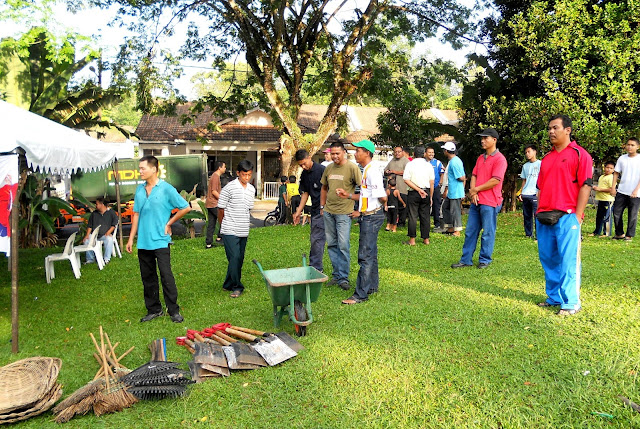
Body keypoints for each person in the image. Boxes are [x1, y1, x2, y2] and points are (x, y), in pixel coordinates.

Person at [536, 114, 592, 315]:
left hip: (568, 216)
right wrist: (538, 210)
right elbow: (540, 188)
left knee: (568, 260)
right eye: (549, 128)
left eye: (555, 128)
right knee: (548, 259)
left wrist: (578, 215)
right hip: (544, 216)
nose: (551, 131)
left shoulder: (580, 154)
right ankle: (554, 297)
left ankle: (571, 302)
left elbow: (586, 185)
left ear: (567, 130)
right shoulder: (547, 158)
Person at [126, 155, 191, 323]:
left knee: (166, 275)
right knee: (147, 277)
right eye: (139, 168)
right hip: (144, 242)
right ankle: (154, 309)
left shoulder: (166, 188)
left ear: (154, 169)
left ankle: (173, 310)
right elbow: (136, 214)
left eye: (143, 168)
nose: (140, 171)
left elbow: (186, 207)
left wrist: (169, 222)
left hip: (161, 240)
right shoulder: (140, 190)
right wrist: (131, 239)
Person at [336, 140, 387, 304]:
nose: (355, 153)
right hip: (369, 215)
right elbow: (366, 196)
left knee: (365, 255)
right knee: (371, 253)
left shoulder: (372, 172)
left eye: (358, 151)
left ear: (367, 153)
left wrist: (370, 209)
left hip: (372, 216)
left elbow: (382, 196)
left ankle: (360, 294)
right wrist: (348, 195)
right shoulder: (365, 170)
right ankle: (372, 286)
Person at [451, 128, 507, 269]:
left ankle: (485, 260)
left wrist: (476, 189)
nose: (482, 141)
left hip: (491, 201)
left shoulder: (500, 159)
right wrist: (474, 193)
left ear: (494, 140)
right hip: (477, 200)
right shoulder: (480, 158)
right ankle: (466, 260)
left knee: (488, 232)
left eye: (485, 138)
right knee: (471, 231)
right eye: (481, 138)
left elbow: (496, 180)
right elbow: (474, 175)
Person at [320, 142, 362, 290]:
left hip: (344, 213)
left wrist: (360, 210)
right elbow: (324, 188)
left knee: (343, 245)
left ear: (344, 152)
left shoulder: (352, 167)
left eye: (338, 153)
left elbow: (364, 190)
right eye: (333, 153)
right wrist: (322, 206)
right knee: (331, 244)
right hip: (329, 212)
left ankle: (343, 278)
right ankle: (336, 275)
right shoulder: (329, 168)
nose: (335, 156)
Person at [218, 160, 256, 298]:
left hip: (243, 229)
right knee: (234, 257)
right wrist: (224, 226)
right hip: (229, 229)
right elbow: (220, 209)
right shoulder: (229, 188)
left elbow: (248, 209)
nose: (246, 177)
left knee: (239, 259)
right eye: (244, 174)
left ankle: (227, 284)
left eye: (249, 175)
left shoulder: (252, 189)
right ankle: (237, 286)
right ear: (238, 173)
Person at [293, 149, 326, 272]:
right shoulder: (304, 174)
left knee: (336, 242)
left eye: (304, 163)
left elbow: (328, 189)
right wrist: (298, 212)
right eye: (300, 165)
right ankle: (316, 268)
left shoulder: (322, 170)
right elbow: (305, 194)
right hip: (316, 210)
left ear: (309, 157)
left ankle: (340, 274)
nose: (303, 166)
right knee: (316, 239)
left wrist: (325, 207)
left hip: (329, 210)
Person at [403, 145, 434, 245]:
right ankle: (426, 239)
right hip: (426, 191)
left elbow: (406, 180)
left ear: (413, 154)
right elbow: (432, 183)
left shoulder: (410, 164)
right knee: (425, 216)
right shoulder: (429, 165)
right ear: (424, 154)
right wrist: (431, 196)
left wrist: (418, 189)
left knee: (413, 216)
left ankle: (412, 240)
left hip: (413, 192)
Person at [611, 137, 640, 241]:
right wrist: (613, 187)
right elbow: (616, 173)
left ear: (637, 147)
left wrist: (636, 190)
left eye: (632, 145)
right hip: (622, 190)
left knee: (632, 215)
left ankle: (629, 235)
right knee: (617, 212)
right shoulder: (622, 158)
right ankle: (619, 233)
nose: (630, 147)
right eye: (628, 144)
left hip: (636, 193)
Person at [82, 197, 119, 264]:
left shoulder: (111, 213)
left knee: (109, 239)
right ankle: (90, 259)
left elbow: (114, 224)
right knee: (86, 240)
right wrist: (87, 235)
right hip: (94, 235)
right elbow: (90, 225)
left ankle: (106, 259)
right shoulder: (94, 214)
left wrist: (109, 232)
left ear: (102, 204)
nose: (96, 206)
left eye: (97, 204)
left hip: (105, 235)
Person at [441, 142, 466, 236]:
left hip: (455, 190)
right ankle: (451, 227)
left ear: (447, 151)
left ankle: (457, 230)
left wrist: (462, 180)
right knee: (445, 207)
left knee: (455, 210)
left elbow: (461, 177)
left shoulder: (455, 162)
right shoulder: (453, 161)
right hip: (452, 190)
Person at [518, 145, 541, 239]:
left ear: (535, 152)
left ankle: (538, 235)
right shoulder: (525, 166)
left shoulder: (541, 164)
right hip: (526, 194)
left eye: (529, 152)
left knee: (537, 216)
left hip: (535, 194)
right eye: (526, 152)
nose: (527, 154)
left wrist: (540, 191)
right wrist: (520, 192)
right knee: (527, 215)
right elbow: (524, 180)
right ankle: (528, 234)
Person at [384, 146, 410, 227]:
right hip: (391, 189)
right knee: (392, 205)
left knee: (402, 205)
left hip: (402, 187)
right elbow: (385, 170)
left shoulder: (406, 161)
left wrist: (394, 172)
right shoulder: (392, 160)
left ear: (402, 152)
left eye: (399, 151)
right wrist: (387, 172)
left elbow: (407, 172)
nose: (397, 153)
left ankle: (401, 222)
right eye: (395, 152)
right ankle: (391, 221)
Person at [590, 161, 615, 237]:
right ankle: (597, 231)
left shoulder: (612, 178)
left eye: (611, 168)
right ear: (604, 167)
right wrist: (595, 188)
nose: (608, 169)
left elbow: (612, 189)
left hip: (608, 200)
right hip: (601, 199)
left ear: (614, 170)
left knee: (607, 217)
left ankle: (606, 233)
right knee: (599, 216)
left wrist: (600, 189)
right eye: (607, 167)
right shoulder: (602, 177)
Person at [205, 161, 226, 248]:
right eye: (224, 167)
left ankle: (209, 244)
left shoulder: (215, 176)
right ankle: (220, 238)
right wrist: (222, 199)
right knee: (224, 219)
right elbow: (214, 191)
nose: (225, 168)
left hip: (210, 204)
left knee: (212, 223)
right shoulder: (215, 177)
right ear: (219, 168)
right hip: (214, 204)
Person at [426, 147, 445, 231]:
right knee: (425, 206)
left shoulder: (437, 163)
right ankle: (425, 224)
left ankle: (436, 224)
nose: (431, 154)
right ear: (425, 153)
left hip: (435, 187)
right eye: (429, 152)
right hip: (425, 188)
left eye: (432, 152)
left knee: (436, 206)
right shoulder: (423, 162)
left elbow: (442, 173)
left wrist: (440, 183)